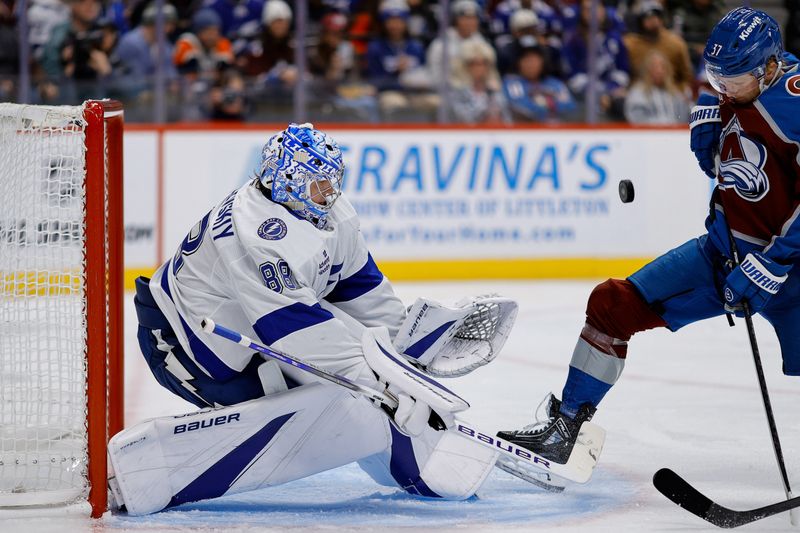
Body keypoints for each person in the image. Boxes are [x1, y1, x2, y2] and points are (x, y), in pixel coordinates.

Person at [110, 124, 518, 515]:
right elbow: (298, 334)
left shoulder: (328, 211)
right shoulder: (258, 232)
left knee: (360, 391)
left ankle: (414, 463)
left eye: (332, 180)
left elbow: (362, 291)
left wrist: (406, 357)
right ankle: (150, 471)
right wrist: (389, 386)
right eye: (318, 183)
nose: (330, 192)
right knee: (336, 405)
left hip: (245, 329)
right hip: (184, 349)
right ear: (286, 181)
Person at [497, 7, 800, 465]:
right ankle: (566, 430)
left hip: (791, 273)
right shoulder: (738, 93)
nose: (723, 91)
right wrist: (710, 150)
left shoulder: (793, 108)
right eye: (716, 79)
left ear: (769, 66)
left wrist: (774, 263)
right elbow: (739, 177)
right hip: (726, 254)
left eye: (732, 81)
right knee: (611, 305)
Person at [624, 49, 690, 124]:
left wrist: (688, 104)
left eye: (662, 67)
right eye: (655, 67)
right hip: (648, 134)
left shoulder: (676, 94)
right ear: (647, 70)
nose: (659, 71)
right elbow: (636, 119)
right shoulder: (637, 93)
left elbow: (684, 118)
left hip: (674, 134)